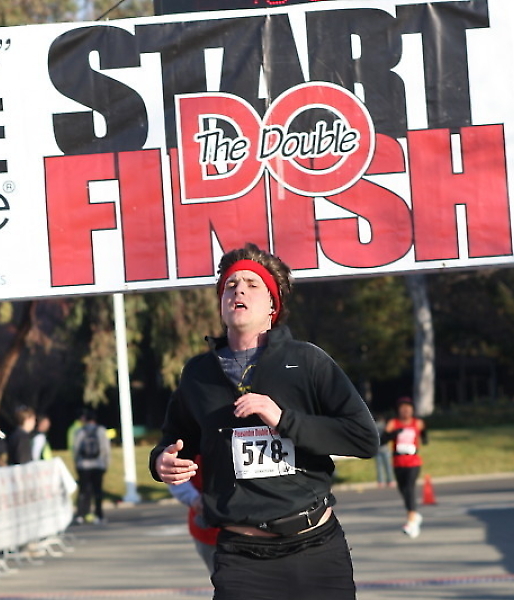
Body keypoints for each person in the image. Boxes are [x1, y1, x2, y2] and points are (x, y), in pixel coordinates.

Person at [150, 243, 379, 600]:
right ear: (221, 304)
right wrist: (161, 462)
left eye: (252, 284)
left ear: (273, 305)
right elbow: (175, 440)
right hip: (243, 557)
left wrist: (284, 420)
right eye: (230, 285)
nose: (238, 290)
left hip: (315, 547)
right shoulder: (197, 373)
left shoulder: (307, 361)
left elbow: (363, 437)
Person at [382, 396, 428, 538]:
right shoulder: (393, 423)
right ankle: (415, 515)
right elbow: (382, 440)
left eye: (408, 409)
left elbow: (425, 436)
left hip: (413, 461)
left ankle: (411, 521)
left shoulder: (417, 423)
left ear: (412, 410)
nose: (406, 411)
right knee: (403, 490)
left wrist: (423, 436)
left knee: (409, 488)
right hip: (398, 461)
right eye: (403, 409)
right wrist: (394, 434)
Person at [169, 455, 219, 574]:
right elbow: (175, 473)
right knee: (221, 577)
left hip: (250, 527)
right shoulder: (189, 446)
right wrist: (194, 499)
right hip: (206, 527)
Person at [73, 408, 111, 525]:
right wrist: (106, 464)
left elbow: (76, 448)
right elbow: (105, 448)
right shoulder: (101, 430)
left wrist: (77, 463)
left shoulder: (80, 431)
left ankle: (80, 514)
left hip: (83, 466)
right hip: (98, 465)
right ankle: (99, 515)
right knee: (98, 491)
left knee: (83, 491)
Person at [374, 412, 395, 488]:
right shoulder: (384, 426)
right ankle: (390, 480)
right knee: (388, 466)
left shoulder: (374, 426)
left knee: (379, 466)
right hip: (385, 447)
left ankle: (381, 481)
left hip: (377, 448)